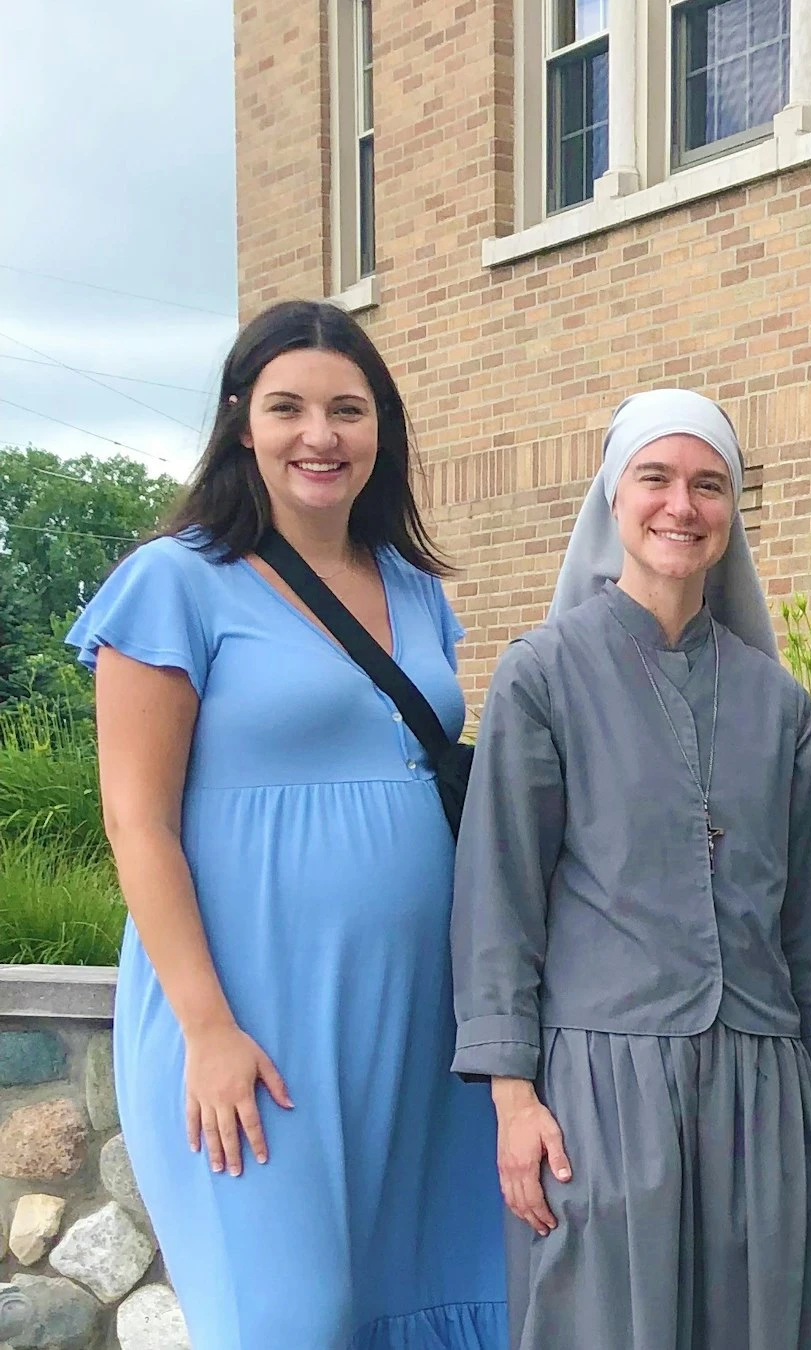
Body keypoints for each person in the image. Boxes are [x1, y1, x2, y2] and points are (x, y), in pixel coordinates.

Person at [68, 299, 506, 1348]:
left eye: (349, 410)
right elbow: (138, 824)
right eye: (289, 407)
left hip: (417, 1018)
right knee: (291, 1320)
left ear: (380, 430)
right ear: (240, 422)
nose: (322, 435)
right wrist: (208, 1030)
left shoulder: (414, 589)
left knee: (432, 1301)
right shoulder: (173, 584)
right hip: (250, 1018)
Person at [449, 389, 811, 1350]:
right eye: (657, 478)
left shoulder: (781, 706)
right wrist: (515, 1099)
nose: (682, 505)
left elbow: (810, 919)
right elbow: (498, 900)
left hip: (763, 1085)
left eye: (709, 484)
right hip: (601, 1087)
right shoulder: (542, 677)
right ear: (613, 498)